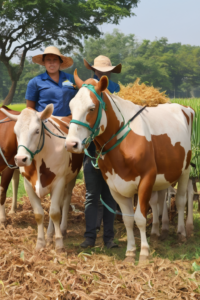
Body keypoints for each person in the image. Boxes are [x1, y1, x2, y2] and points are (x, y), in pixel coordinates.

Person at [80, 55, 122, 249]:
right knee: (91, 196)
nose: (102, 72)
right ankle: (89, 237)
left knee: (110, 195)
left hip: (111, 151)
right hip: (91, 150)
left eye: (106, 70)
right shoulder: (87, 88)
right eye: (99, 70)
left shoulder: (115, 89)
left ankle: (109, 238)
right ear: (94, 70)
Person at [25, 46, 76, 116]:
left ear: (60, 62)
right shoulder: (35, 82)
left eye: (55, 60)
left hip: (68, 123)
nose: (51, 63)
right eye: (48, 60)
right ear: (44, 62)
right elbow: (30, 109)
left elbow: (82, 97)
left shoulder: (72, 79)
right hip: (45, 124)